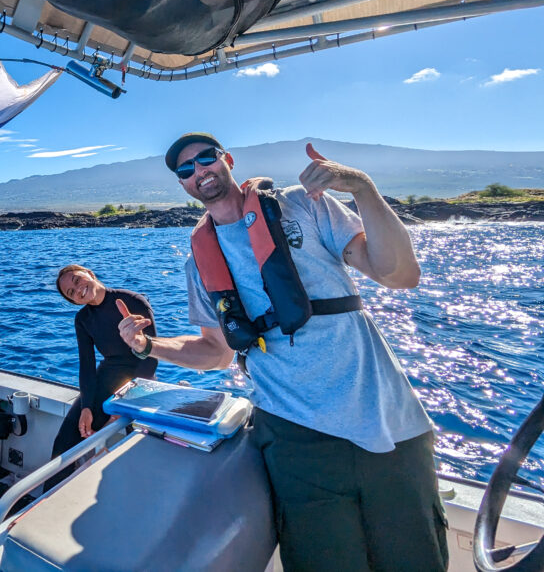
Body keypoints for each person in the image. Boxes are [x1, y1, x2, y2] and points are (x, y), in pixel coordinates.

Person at [117, 134, 448, 572]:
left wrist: (364, 188)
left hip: (387, 420)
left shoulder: (303, 204)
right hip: (294, 435)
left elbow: (400, 274)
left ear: (227, 160)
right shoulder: (198, 262)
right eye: (186, 170)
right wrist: (148, 346)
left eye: (206, 158)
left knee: (416, 559)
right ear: (182, 184)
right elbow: (215, 353)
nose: (199, 171)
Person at [49, 265, 158, 468]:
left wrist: (125, 402)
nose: (78, 289)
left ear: (90, 273)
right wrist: (86, 407)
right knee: (64, 442)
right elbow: (87, 366)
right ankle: (50, 496)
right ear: (74, 302)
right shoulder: (82, 319)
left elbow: (151, 357)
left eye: (77, 280)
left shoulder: (132, 301)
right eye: (71, 293)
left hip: (140, 379)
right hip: (106, 378)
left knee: (137, 449)